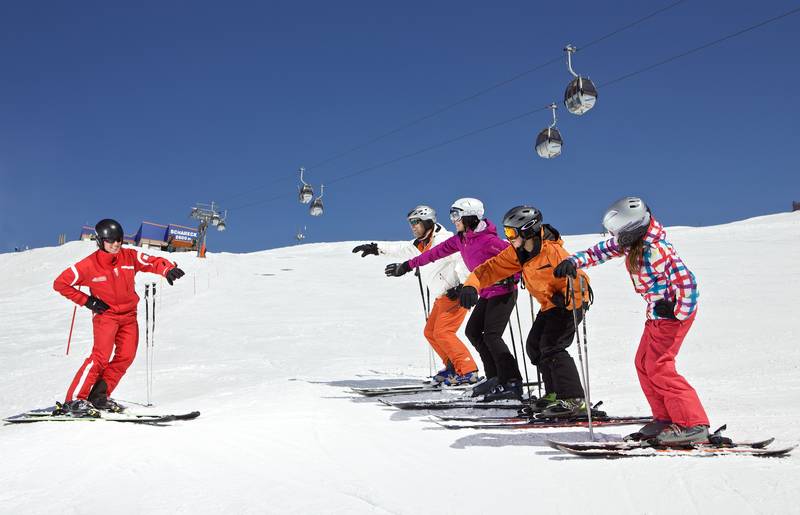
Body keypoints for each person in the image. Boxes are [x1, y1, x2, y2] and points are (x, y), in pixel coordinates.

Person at [554, 197, 709, 444]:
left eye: (618, 233)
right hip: (657, 316)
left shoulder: (658, 250)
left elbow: (687, 282)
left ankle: (693, 424)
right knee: (644, 363)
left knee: (659, 366)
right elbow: (601, 251)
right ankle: (665, 418)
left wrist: (677, 311)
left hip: (672, 318)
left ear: (632, 229)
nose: (615, 238)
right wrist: (574, 261)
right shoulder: (633, 242)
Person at [385, 198, 523, 401]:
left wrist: (514, 277)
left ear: (470, 216)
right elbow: (433, 254)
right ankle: (494, 377)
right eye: (452, 216)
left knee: (492, 335)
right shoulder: (461, 239)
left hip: (503, 292)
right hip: (485, 292)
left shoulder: (491, 241)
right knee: (474, 332)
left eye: (456, 215)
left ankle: (512, 381)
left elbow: (517, 260)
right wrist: (407, 265)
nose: (453, 220)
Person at [462, 205, 592, 416]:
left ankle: (574, 399)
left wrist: (571, 300)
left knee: (552, 347)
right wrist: (471, 284)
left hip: (570, 303)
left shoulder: (553, 252)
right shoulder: (518, 254)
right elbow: (490, 268)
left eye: (512, 232)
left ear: (528, 230)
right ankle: (553, 394)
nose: (509, 237)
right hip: (550, 305)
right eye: (507, 232)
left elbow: (580, 279)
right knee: (535, 347)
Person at [52, 219, 185, 416]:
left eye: (119, 240)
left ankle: (99, 396)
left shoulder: (129, 256)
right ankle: (74, 400)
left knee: (126, 357)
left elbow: (151, 261)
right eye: (110, 240)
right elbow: (60, 283)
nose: (116, 244)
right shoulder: (88, 265)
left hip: (129, 316)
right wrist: (88, 301)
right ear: (100, 241)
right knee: (100, 357)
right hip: (106, 316)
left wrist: (167, 269)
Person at [352, 205, 479, 385]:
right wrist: (376, 248)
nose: (412, 226)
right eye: (411, 223)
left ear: (428, 222)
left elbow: (463, 259)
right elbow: (400, 250)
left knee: (444, 332)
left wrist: (464, 286)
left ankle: (468, 371)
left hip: (455, 295)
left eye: (416, 222)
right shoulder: (419, 244)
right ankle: (452, 366)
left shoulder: (444, 240)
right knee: (430, 333)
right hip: (440, 297)